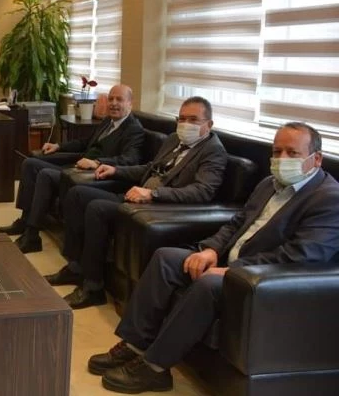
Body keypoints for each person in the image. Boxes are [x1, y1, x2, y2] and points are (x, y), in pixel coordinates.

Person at [90, 122, 339, 394]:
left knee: (208, 284)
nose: (282, 160)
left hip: (260, 283)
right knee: (165, 258)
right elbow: (236, 223)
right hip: (230, 263)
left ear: (316, 159)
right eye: (277, 152)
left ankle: (155, 368)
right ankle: (134, 345)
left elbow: (300, 256)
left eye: (292, 153)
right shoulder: (269, 184)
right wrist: (210, 250)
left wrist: (235, 270)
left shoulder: (328, 199)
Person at [47, 96, 228, 309]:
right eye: (181, 118)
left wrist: (154, 194)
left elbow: (202, 191)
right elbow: (150, 167)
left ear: (209, 124)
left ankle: (93, 288)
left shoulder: (213, 151)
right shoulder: (174, 139)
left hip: (158, 208)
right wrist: (116, 170)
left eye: (193, 119)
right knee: (77, 194)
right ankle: (76, 266)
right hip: (135, 196)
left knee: (97, 208)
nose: (185, 124)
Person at [0, 84, 145, 254]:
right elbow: (85, 143)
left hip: (93, 176)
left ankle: (32, 236)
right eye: (111, 99)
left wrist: (97, 162)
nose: (113, 103)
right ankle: (25, 220)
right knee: (30, 163)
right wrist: (59, 146)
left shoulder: (134, 129)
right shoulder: (108, 121)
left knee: (46, 174)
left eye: (119, 99)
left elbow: (130, 159)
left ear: (130, 103)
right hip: (78, 166)